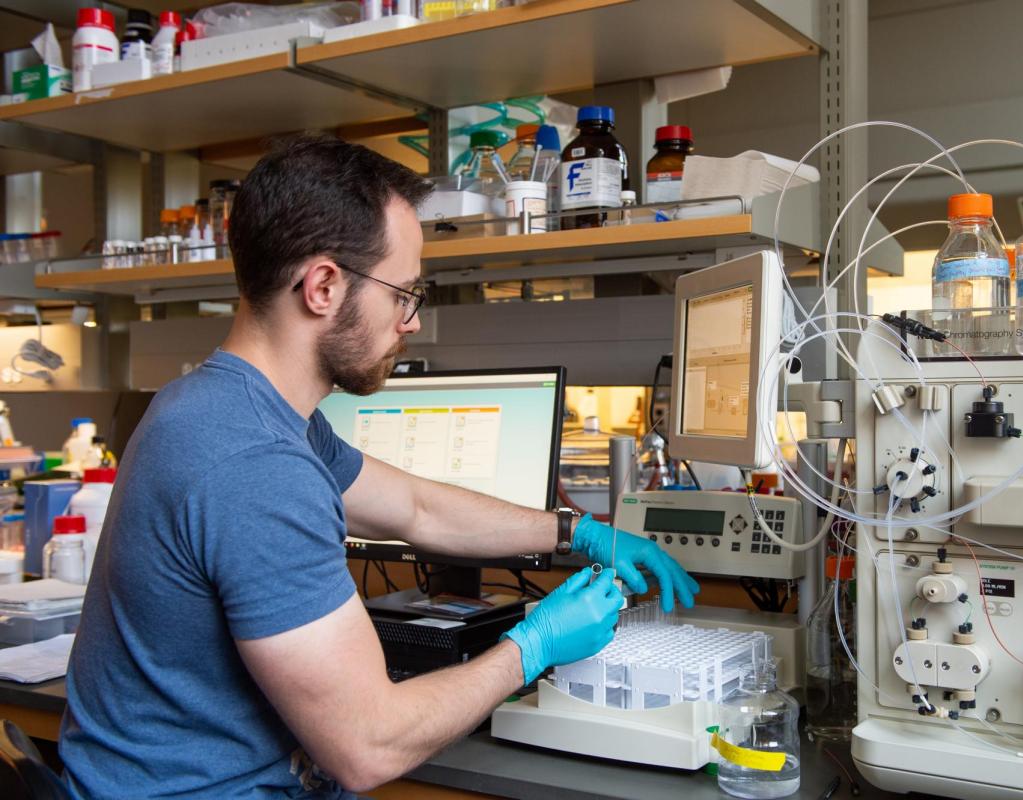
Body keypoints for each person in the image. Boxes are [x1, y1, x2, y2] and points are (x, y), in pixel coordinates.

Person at [59, 134, 700, 799]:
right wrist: (531, 647)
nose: (411, 323)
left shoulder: (225, 405)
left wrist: (576, 533)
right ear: (323, 286)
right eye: (404, 294)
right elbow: (368, 744)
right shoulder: (254, 463)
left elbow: (416, 508)